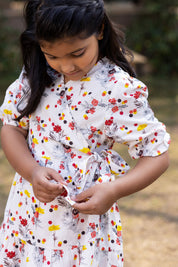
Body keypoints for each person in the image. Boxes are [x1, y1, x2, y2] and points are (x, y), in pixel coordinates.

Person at [0, 0, 170, 266]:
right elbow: (12, 127)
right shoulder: (35, 75)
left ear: (100, 30)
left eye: (77, 53)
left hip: (82, 227)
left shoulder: (118, 89)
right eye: (53, 55)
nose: (66, 66)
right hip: (28, 214)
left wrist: (113, 190)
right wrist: (31, 171)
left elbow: (157, 155)